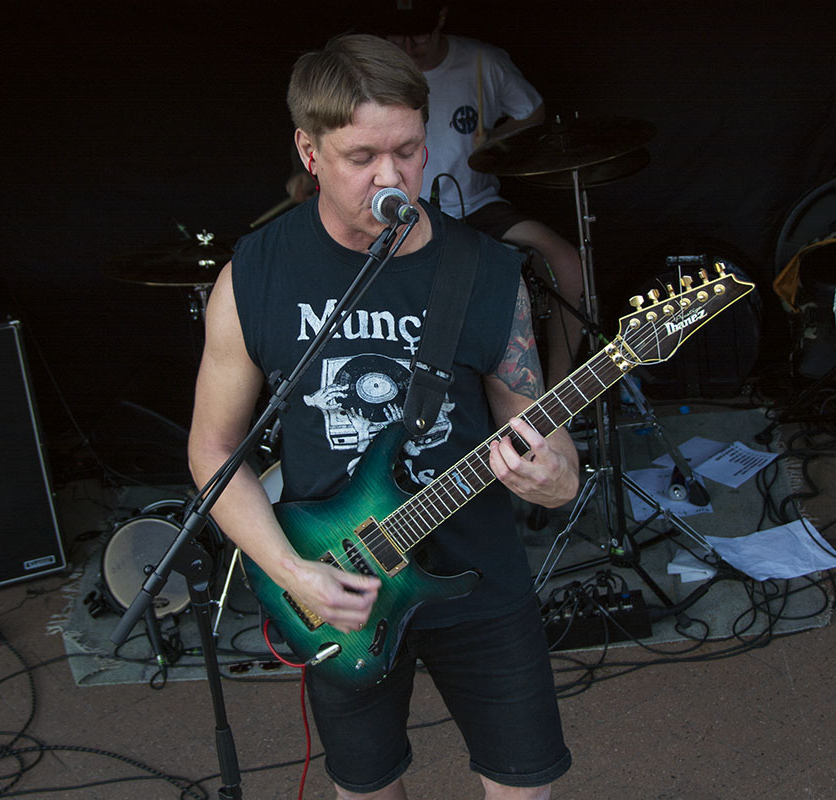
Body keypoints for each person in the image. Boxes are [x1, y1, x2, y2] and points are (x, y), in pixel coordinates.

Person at [189, 33, 578, 800]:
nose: (391, 176)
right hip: (333, 577)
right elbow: (213, 450)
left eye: (408, 150)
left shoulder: (485, 271)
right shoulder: (256, 274)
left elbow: (541, 428)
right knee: (366, 788)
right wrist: (292, 572)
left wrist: (557, 478)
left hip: (478, 577)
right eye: (362, 156)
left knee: (523, 784)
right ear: (309, 151)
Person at [374, 2, 584, 385]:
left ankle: (558, 392)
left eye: (417, 35)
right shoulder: (372, 69)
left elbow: (531, 110)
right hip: (403, 210)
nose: (406, 46)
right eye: (396, 36)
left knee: (565, 262)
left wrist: (495, 140)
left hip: (478, 206)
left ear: (440, 17)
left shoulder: (482, 61)